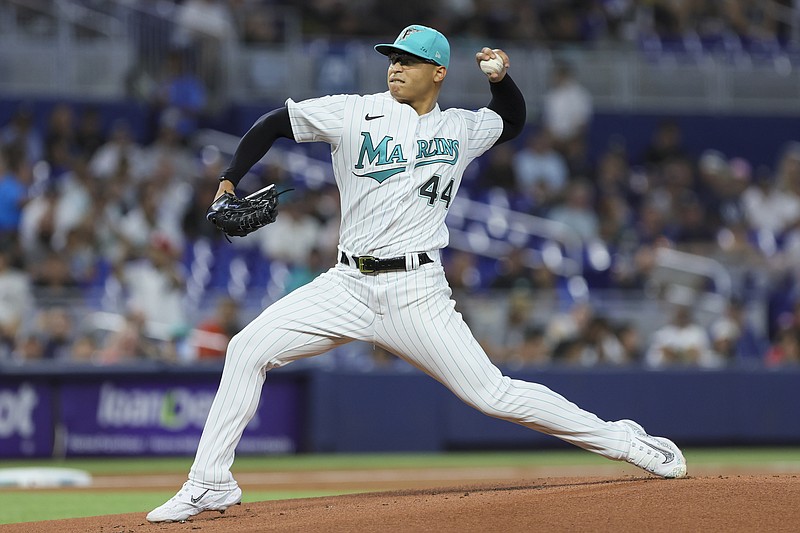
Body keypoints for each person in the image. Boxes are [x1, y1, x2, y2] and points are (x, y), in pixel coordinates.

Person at [147, 24, 687, 524]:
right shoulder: (353, 112)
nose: (395, 68)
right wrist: (227, 181)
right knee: (246, 350)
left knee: (493, 395)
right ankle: (210, 481)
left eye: (408, 60)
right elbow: (272, 125)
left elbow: (513, 120)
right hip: (346, 284)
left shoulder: (460, 128)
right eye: (391, 59)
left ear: (439, 73)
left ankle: (620, 440)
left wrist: (502, 80)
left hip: (416, 292)